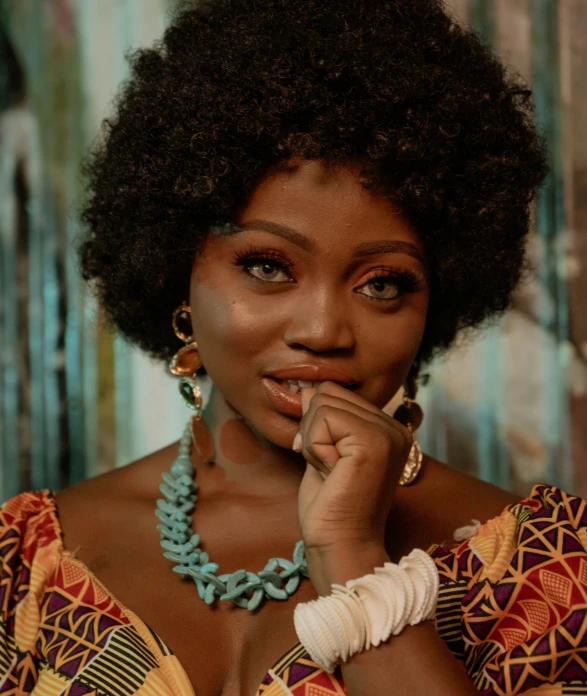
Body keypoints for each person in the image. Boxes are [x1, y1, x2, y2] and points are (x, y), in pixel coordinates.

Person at [1, 0, 585, 694]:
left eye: (383, 284)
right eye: (268, 266)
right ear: (179, 269)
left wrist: (353, 556)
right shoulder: (27, 565)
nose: (322, 330)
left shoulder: (543, 573)